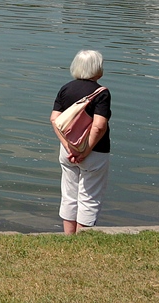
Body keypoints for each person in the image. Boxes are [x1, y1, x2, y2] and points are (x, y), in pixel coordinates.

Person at [51, 49, 112, 233]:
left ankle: (69, 238)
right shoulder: (101, 93)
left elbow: (54, 119)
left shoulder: (65, 88)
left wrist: (68, 146)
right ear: (97, 69)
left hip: (67, 151)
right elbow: (99, 126)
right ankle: (83, 239)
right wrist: (85, 151)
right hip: (95, 152)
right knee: (89, 196)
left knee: (69, 195)